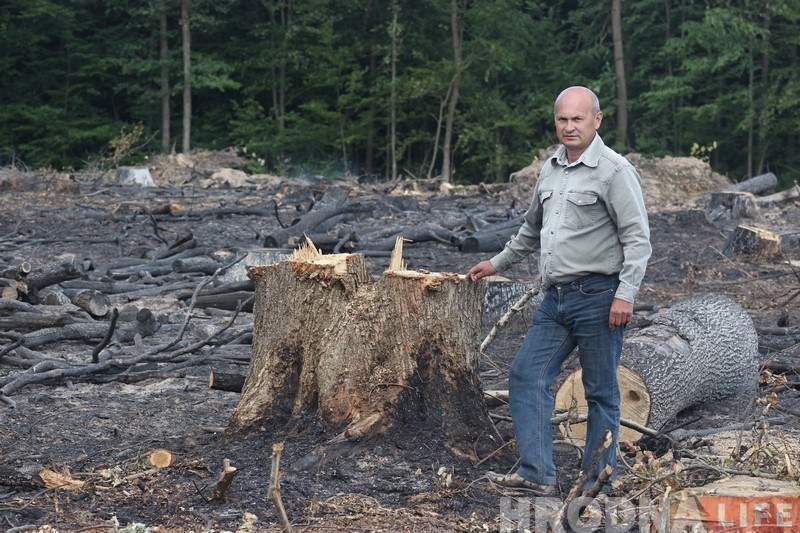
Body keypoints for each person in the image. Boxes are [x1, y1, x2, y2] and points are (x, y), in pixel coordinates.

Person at [467, 86, 651, 495]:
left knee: (600, 391)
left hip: (599, 297)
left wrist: (626, 294)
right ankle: (537, 474)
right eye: (563, 119)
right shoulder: (550, 169)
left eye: (577, 119)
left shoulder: (614, 171)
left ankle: (596, 482)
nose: (569, 126)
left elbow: (638, 239)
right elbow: (531, 230)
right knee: (526, 374)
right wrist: (496, 263)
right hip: (555, 297)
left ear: (597, 120)